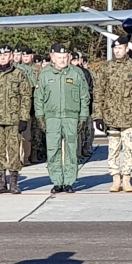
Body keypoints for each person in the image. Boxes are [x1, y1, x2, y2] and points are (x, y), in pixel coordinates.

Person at [92, 37, 132, 191]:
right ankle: (115, 178)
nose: (117, 51)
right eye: (115, 49)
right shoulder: (106, 68)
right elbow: (98, 93)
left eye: (120, 48)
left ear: (127, 49)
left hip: (130, 115)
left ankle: (127, 178)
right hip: (110, 115)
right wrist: (97, 116)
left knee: (130, 148)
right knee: (113, 149)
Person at [34, 43, 90, 193]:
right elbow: (38, 97)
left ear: (69, 57)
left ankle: (69, 181)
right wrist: (40, 116)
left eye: (65, 57)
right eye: (59, 57)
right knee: (53, 150)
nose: (62, 60)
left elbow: (85, 97)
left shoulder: (76, 73)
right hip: (52, 118)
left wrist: (83, 117)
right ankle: (57, 181)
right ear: (52, 57)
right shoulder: (45, 74)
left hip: (71, 117)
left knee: (72, 150)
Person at [0, 44, 32, 193]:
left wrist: (24, 118)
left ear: (11, 56)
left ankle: (14, 182)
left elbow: (26, 96)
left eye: (6, 55)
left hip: (14, 120)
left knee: (13, 151)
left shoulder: (19, 74)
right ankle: (1, 182)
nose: (3, 58)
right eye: (0, 55)